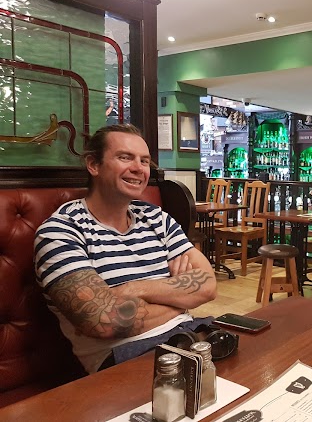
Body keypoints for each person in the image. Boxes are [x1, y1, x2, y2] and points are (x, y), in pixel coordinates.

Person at [34, 124, 217, 374]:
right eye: (125, 157)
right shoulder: (61, 231)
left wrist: (133, 290)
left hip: (191, 333)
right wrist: (181, 300)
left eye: (144, 161)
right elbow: (105, 321)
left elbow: (207, 286)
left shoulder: (156, 218)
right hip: (126, 358)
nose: (138, 168)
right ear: (94, 165)